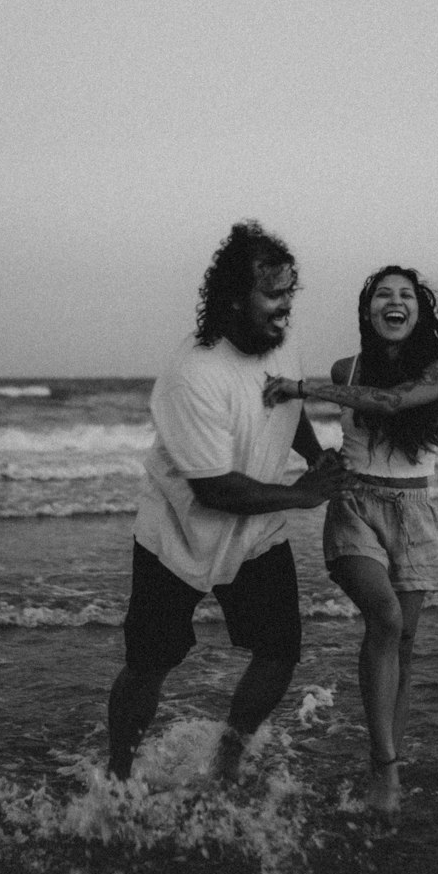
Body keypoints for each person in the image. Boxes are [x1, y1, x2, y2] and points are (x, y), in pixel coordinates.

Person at [107, 221, 348, 784]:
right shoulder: (193, 373)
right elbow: (214, 488)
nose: (286, 307)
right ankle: (118, 775)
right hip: (177, 534)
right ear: (235, 297)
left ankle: (227, 758)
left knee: (280, 650)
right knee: (149, 665)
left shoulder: (282, 344)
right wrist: (301, 495)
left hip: (256, 532)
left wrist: (314, 458)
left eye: (291, 291)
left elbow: (289, 411)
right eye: (273, 293)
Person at [263, 266, 438, 823]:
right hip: (355, 505)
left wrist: (302, 386)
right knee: (383, 619)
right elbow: (298, 416)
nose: (395, 301)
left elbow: (385, 402)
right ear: (368, 310)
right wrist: (316, 458)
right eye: (384, 294)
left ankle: (387, 761)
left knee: (402, 645)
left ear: (418, 312)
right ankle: (385, 767)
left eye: (405, 294)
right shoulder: (345, 368)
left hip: (415, 512)